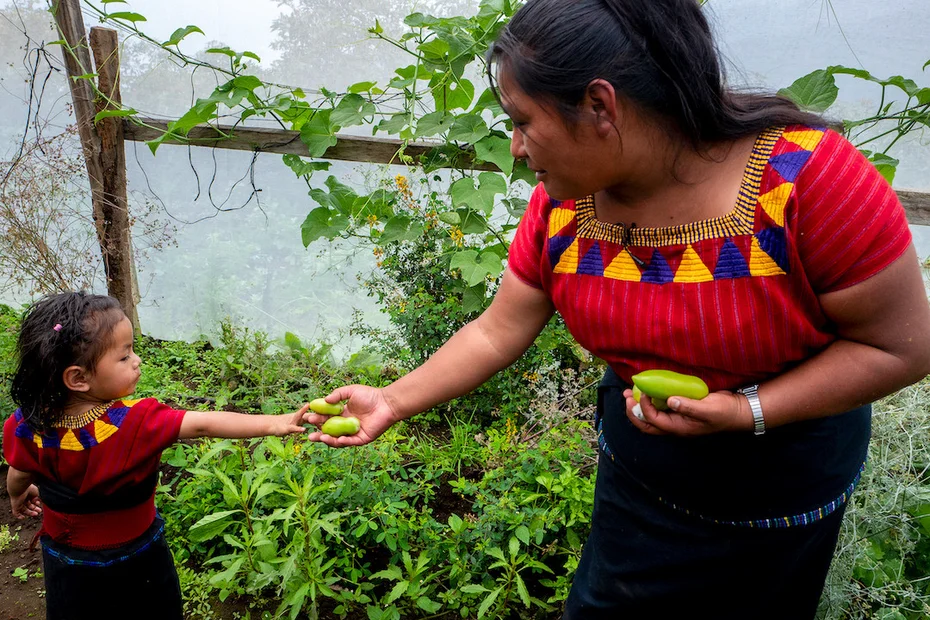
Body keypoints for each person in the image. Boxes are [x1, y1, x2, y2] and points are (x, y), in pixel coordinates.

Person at [302, 0, 930, 617]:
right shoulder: (566, 206)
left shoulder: (807, 181)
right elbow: (498, 330)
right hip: (641, 486)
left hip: (775, 505)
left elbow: (900, 348)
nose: (516, 148)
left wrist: (747, 412)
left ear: (600, 106)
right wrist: (392, 400)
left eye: (523, 121)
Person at [2, 292, 311, 620]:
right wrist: (277, 422)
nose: (136, 360)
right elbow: (204, 425)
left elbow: (19, 473)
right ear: (78, 378)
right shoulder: (136, 421)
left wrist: (18, 496)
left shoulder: (25, 425)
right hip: (137, 559)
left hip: (68, 563)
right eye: (124, 357)